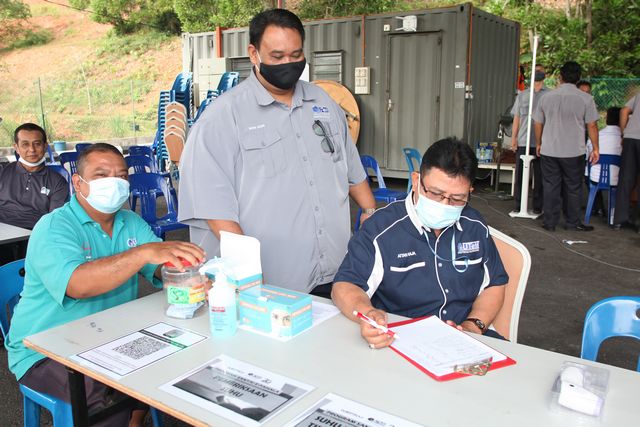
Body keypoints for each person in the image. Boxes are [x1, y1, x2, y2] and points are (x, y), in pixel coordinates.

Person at [5, 143, 205, 427]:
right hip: (45, 348)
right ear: (78, 183)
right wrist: (141, 254)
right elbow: (77, 285)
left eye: (121, 176)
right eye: (101, 175)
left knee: (168, 356)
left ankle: (134, 421)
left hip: (110, 334)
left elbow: (159, 266)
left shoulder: (130, 221)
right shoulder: (54, 227)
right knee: (102, 393)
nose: (114, 182)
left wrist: (187, 273)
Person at [178, 9, 375, 297]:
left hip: (337, 272)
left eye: (296, 55)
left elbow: (351, 168)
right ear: (254, 54)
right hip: (273, 283)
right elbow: (213, 207)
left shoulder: (322, 102)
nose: (288, 64)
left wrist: (370, 212)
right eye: (277, 56)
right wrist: (249, 277)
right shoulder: (223, 117)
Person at [331, 138, 509, 349]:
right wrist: (368, 314)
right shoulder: (381, 229)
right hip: (401, 341)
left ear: (469, 192)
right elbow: (345, 286)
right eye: (435, 193)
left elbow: (494, 283)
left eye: (457, 198)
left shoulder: (474, 225)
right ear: (416, 181)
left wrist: (473, 325)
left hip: (465, 339)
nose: (445, 204)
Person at [533, 61, 599, 232]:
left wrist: (539, 143)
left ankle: (550, 222)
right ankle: (572, 222)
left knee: (551, 186)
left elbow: (538, 123)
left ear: (560, 77)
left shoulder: (546, 97)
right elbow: (592, 125)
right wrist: (596, 148)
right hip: (574, 151)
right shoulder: (586, 99)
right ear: (578, 78)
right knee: (573, 187)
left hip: (549, 149)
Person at [0, 123, 68, 229]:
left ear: (45, 146)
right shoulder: (2, 171)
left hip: (33, 233)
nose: (32, 149)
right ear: (16, 147)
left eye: (37, 144)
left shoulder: (57, 181)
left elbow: (54, 219)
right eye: (25, 144)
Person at [511, 64, 548, 213]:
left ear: (545, 75)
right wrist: (514, 138)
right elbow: (517, 118)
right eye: (535, 71)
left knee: (540, 177)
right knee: (521, 176)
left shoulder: (550, 95)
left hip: (543, 142)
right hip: (523, 140)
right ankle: (519, 205)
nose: (537, 73)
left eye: (540, 71)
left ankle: (538, 207)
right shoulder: (522, 95)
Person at [586, 107, 622, 218]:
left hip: (595, 178)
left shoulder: (595, 136)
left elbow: (588, 158)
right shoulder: (624, 139)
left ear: (606, 119)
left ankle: (597, 207)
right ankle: (619, 211)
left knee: (587, 173)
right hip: (618, 180)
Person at [613, 93, 640, 231]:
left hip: (630, 138)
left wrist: (624, 133)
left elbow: (624, 111)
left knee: (625, 179)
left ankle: (619, 220)